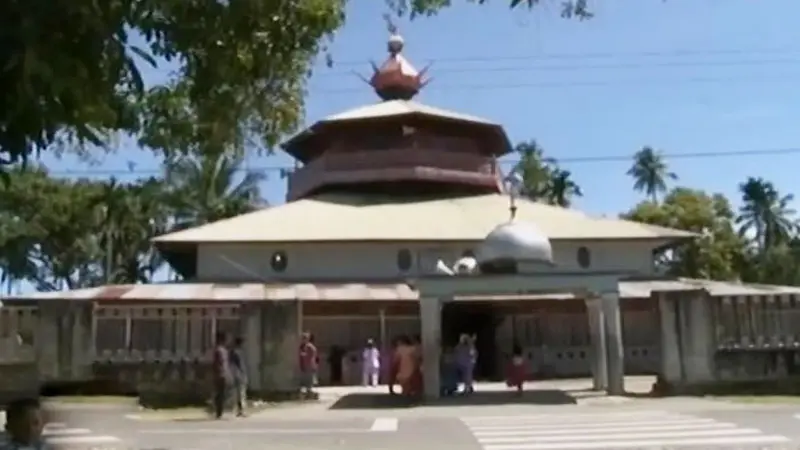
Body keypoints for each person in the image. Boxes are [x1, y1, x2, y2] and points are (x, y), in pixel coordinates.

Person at [211, 331, 232, 419]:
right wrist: (219, 373)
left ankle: (219, 411)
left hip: (224, 374)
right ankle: (218, 412)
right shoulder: (219, 350)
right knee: (221, 394)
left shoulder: (223, 350)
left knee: (223, 393)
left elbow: (225, 363)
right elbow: (217, 363)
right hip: (221, 374)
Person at [229, 336, 247, 417]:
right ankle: (241, 411)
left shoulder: (233, 352)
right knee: (241, 393)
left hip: (236, 374)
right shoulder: (238, 352)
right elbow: (239, 365)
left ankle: (237, 410)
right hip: (239, 375)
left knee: (237, 394)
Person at [298, 332, 318, 398]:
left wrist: (301, 354)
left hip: (309, 365)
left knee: (309, 380)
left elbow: (310, 356)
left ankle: (309, 392)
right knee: (306, 380)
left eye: (305, 338)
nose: (303, 340)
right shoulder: (303, 346)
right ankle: (308, 392)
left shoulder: (309, 347)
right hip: (305, 365)